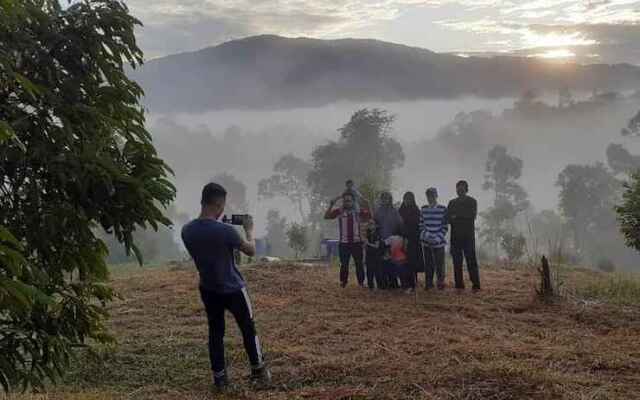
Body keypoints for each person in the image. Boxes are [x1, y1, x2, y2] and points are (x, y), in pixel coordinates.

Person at [181, 182, 271, 390]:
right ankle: (258, 371)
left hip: (208, 288)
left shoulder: (187, 231)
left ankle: (220, 379)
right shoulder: (226, 231)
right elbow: (250, 251)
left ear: (203, 201)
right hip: (233, 289)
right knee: (248, 328)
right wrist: (249, 230)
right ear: (219, 204)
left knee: (215, 332)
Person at [324, 192, 371, 287]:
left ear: (353, 202)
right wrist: (331, 205)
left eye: (349, 200)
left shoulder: (358, 211)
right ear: (343, 202)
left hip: (357, 243)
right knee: (344, 264)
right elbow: (326, 216)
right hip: (344, 243)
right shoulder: (340, 211)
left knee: (359, 264)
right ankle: (343, 282)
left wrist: (367, 204)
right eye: (345, 201)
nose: (347, 202)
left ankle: (361, 283)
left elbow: (370, 216)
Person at [447, 180, 481, 291]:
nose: (459, 190)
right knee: (457, 263)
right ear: (456, 190)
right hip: (455, 237)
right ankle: (459, 286)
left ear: (466, 189)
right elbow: (447, 218)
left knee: (471, 261)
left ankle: (476, 285)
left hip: (468, 238)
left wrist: (456, 216)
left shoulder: (472, 202)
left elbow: (472, 215)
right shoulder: (452, 203)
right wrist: (459, 217)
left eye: (462, 188)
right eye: (458, 188)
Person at [420, 187, 448, 290]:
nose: (430, 197)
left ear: (436, 195)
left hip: (439, 242)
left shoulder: (443, 209)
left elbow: (445, 227)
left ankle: (440, 283)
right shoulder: (423, 209)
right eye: (428, 195)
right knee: (428, 264)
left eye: (432, 195)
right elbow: (421, 225)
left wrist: (437, 238)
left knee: (440, 265)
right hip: (426, 242)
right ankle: (429, 284)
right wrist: (426, 236)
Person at [374, 192, 403, 289]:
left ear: (390, 199)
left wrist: (397, 237)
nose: (385, 200)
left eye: (387, 198)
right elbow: (374, 225)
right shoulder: (377, 211)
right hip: (381, 240)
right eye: (383, 198)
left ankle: (393, 283)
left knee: (392, 262)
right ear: (381, 199)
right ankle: (383, 283)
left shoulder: (394, 211)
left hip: (392, 240)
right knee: (382, 262)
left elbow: (400, 224)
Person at [399, 192, 422, 290]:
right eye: (405, 199)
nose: (407, 201)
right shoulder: (400, 210)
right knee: (402, 261)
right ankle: (404, 283)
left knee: (412, 261)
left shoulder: (416, 210)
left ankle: (413, 283)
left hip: (413, 240)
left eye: (409, 199)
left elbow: (416, 225)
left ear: (412, 200)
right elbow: (399, 225)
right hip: (402, 239)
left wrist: (408, 237)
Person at [364, 221, 384, 290]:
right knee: (369, 271)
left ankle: (380, 286)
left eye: (372, 224)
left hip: (376, 255)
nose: (370, 225)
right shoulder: (368, 234)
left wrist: (368, 243)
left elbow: (377, 246)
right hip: (369, 255)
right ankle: (370, 286)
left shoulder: (377, 234)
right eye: (369, 224)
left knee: (377, 271)